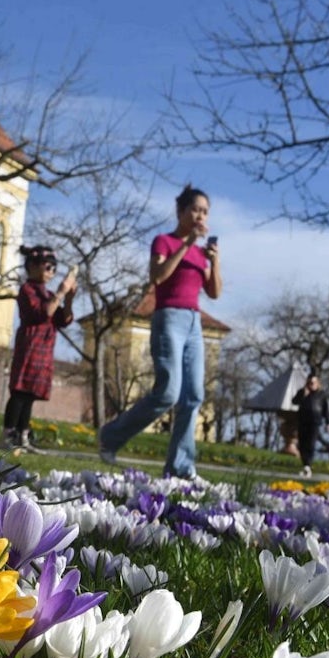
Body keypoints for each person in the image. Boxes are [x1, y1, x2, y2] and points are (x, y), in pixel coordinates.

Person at [98, 184, 222, 478]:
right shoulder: (164, 242)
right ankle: (110, 437)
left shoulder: (200, 254)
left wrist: (214, 260)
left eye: (205, 212)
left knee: (193, 396)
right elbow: (157, 277)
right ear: (181, 211)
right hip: (169, 317)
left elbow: (214, 292)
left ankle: (180, 466)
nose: (200, 216)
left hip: (194, 323)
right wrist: (186, 243)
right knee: (167, 392)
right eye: (195, 209)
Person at [1, 245, 76, 452]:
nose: (51, 271)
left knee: (30, 395)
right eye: (47, 266)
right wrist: (60, 293)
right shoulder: (27, 290)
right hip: (30, 345)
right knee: (19, 392)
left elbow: (64, 319)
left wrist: (68, 298)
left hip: (44, 349)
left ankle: (23, 436)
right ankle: (8, 435)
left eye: (54, 268)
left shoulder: (49, 293)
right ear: (32, 267)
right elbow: (43, 313)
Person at [292, 373, 329, 477]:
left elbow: (326, 410)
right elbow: (294, 401)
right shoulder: (303, 392)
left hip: (315, 422)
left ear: (317, 384)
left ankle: (308, 465)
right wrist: (303, 394)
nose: (311, 385)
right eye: (309, 383)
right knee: (302, 443)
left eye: (313, 383)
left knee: (311, 443)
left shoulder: (322, 395)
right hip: (303, 421)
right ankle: (305, 465)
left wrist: (328, 422)